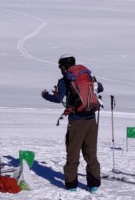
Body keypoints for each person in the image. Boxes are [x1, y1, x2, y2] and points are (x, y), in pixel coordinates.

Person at [41, 54, 104, 192]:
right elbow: (100, 88)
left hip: (76, 120)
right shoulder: (86, 75)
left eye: (60, 66)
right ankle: (93, 184)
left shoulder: (65, 80)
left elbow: (58, 99)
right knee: (91, 152)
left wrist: (45, 95)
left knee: (73, 152)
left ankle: (71, 185)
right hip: (91, 119)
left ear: (63, 66)